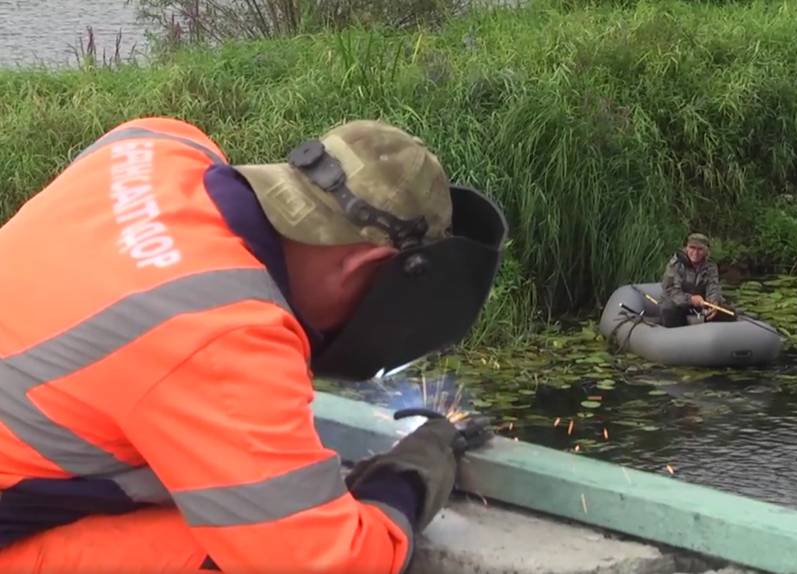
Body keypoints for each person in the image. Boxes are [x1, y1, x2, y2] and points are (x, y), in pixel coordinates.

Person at [0, 116, 507, 572]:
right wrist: (410, 476)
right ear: (361, 269)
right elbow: (330, 563)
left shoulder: (156, 144)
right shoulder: (219, 330)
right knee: (230, 555)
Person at [658, 232, 730, 328]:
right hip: (678, 302)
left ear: (706, 250)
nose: (695, 253)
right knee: (668, 308)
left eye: (700, 249)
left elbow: (713, 286)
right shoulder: (676, 264)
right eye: (692, 248)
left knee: (726, 311)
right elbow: (670, 289)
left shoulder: (711, 266)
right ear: (686, 248)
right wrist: (690, 299)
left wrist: (714, 301)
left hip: (700, 304)